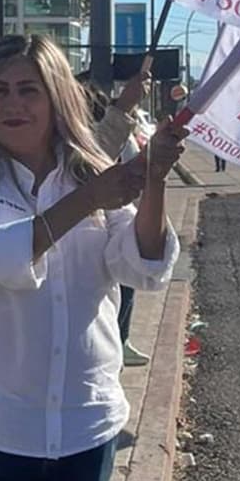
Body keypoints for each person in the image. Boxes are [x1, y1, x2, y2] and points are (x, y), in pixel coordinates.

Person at [0, 34, 187, 481]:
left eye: (29, 90)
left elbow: (141, 266)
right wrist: (88, 200)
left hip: (86, 424)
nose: (12, 104)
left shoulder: (89, 169)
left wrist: (154, 180)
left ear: (58, 97)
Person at [85, 67, 155, 369]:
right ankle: (117, 341)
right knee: (115, 291)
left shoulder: (116, 136)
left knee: (122, 289)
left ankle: (119, 341)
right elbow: (85, 169)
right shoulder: (72, 146)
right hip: (99, 227)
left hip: (119, 221)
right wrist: (125, 106)